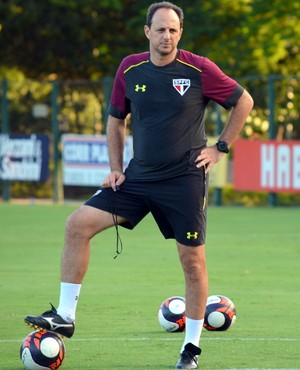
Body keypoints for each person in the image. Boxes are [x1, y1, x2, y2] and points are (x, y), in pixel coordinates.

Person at [24, 2, 253, 369]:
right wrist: (115, 168)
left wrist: (220, 148)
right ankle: (66, 315)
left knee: (193, 263)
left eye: (174, 30)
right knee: (76, 225)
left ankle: (190, 350)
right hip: (138, 177)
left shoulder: (199, 68)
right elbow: (116, 121)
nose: (167, 36)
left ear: (181, 33)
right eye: (160, 29)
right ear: (147, 32)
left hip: (185, 181)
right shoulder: (130, 68)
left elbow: (244, 101)